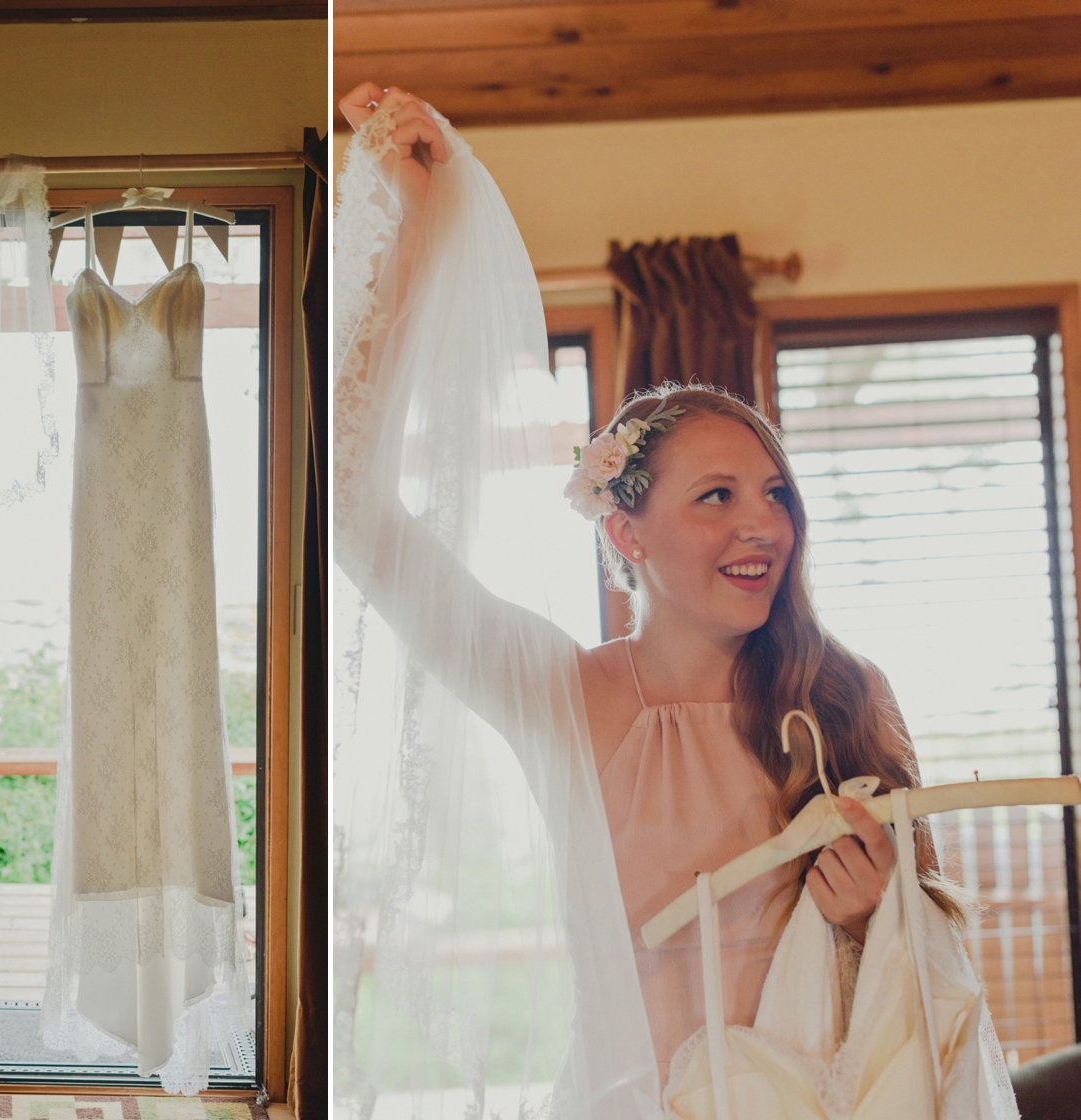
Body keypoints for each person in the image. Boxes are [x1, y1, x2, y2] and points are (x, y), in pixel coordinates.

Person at [333, 83, 1004, 1115]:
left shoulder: (847, 691)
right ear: (625, 532)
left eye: (776, 493)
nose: (763, 525)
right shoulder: (562, 693)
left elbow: (929, 972)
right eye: (718, 497)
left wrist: (875, 914)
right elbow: (357, 515)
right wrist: (415, 220)